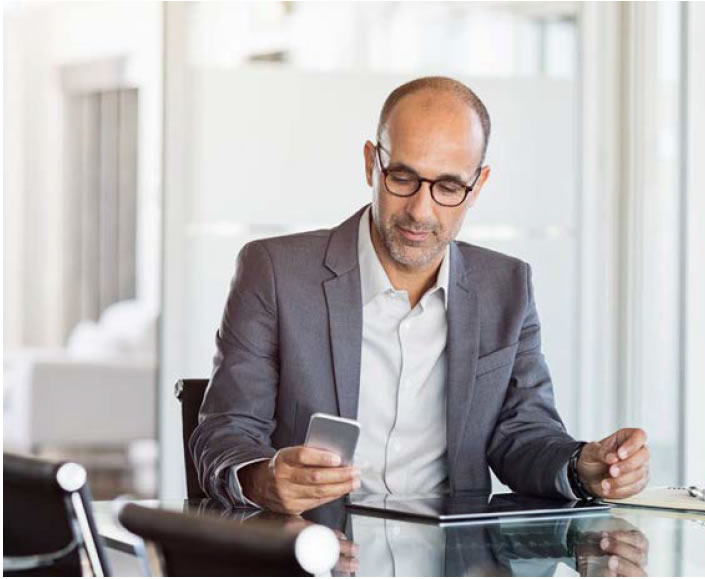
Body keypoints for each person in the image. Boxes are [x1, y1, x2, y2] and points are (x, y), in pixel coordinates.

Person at [190, 76, 650, 514]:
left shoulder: (505, 286)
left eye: (448, 186)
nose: (420, 210)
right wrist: (260, 477)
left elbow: (523, 436)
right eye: (403, 178)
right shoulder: (274, 272)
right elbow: (225, 432)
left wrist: (581, 466)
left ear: (478, 186)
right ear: (372, 163)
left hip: (451, 557)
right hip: (316, 551)